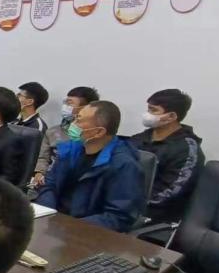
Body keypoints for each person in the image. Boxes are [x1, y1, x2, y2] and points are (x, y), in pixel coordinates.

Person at [34, 100, 143, 232]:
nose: (73, 124)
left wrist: (69, 226)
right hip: (56, 223)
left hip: (86, 230)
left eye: (79, 120)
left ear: (98, 132)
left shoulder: (124, 165)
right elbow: (49, 185)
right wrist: (48, 213)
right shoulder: (70, 150)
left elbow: (118, 216)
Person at [131, 89, 205, 223]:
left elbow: (170, 192)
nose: (147, 114)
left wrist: (127, 202)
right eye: (148, 109)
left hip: (155, 216)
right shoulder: (140, 138)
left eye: (153, 110)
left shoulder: (186, 150)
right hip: (124, 203)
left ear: (171, 117)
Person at [33, 86, 100, 187]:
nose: (65, 106)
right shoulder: (53, 131)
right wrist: (39, 173)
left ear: (86, 108)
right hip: (49, 181)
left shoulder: (94, 135)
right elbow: (43, 157)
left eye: (70, 103)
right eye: (65, 103)